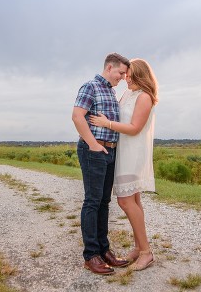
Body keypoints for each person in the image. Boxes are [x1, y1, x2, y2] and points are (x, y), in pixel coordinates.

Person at [89, 58, 158, 271]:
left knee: (125, 201)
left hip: (133, 154)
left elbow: (135, 128)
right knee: (134, 200)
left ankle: (146, 252)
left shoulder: (145, 97)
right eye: (125, 75)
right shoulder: (129, 93)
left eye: (130, 75)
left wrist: (107, 123)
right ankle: (138, 247)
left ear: (140, 76)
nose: (126, 79)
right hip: (123, 152)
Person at [72, 52, 132, 275]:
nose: (123, 77)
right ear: (109, 68)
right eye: (120, 73)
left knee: (104, 202)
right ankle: (91, 255)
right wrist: (93, 145)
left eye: (124, 74)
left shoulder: (111, 91)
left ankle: (104, 251)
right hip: (94, 150)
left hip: (110, 151)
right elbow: (77, 116)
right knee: (92, 201)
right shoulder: (91, 86)